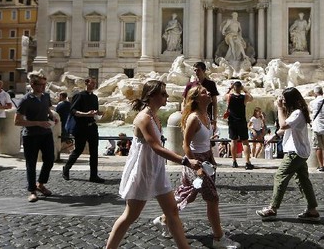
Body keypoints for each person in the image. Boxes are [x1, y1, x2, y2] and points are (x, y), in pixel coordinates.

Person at [106, 80, 200, 249]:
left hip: (157, 170)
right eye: (163, 94)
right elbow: (156, 147)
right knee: (130, 215)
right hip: (143, 171)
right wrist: (185, 160)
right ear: (151, 96)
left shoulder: (154, 116)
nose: (167, 96)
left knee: (172, 212)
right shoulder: (144, 117)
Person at [153, 85, 240, 248]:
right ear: (196, 99)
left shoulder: (205, 115)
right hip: (195, 162)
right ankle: (218, 238)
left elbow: (206, 142)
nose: (208, 93)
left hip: (206, 160)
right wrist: (196, 166)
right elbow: (185, 145)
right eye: (204, 92)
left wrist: (212, 158)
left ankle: (164, 219)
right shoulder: (193, 118)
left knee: (189, 194)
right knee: (212, 199)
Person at [256, 87, 319, 221]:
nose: (282, 101)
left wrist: (279, 108)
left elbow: (283, 125)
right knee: (303, 180)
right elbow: (286, 129)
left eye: (284, 99)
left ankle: (272, 208)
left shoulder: (297, 113)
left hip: (294, 153)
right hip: (301, 152)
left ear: (290, 100)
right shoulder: (298, 112)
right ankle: (312, 210)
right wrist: (273, 136)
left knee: (280, 176)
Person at [16, 73, 57, 203]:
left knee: (50, 159)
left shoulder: (46, 96)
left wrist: (52, 117)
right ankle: (32, 191)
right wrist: (38, 123)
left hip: (46, 133)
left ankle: (41, 184)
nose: (44, 87)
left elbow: (47, 110)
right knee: (31, 164)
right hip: (31, 135)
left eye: (45, 84)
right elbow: (17, 121)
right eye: (41, 84)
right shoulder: (25, 100)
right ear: (33, 85)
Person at [63, 77, 103, 183]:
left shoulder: (94, 97)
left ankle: (93, 176)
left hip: (92, 127)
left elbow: (94, 111)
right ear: (86, 83)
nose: (94, 84)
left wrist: (99, 113)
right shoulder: (79, 95)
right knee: (78, 150)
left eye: (95, 83)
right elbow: (73, 111)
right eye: (92, 82)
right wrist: (86, 114)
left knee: (94, 152)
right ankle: (66, 168)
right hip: (81, 127)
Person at [225, 81, 254, 170]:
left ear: (234, 88)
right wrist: (244, 89)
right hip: (242, 121)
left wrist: (230, 88)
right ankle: (247, 162)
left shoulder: (229, 96)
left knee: (233, 141)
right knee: (245, 142)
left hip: (232, 122)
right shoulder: (244, 97)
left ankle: (234, 161)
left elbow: (224, 96)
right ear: (240, 88)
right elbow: (251, 98)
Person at [183, 62, 220, 127]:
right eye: (195, 70)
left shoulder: (211, 84)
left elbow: (214, 103)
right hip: (192, 116)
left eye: (198, 70)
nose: (196, 72)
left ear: (204, 70)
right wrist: (184, 114)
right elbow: (185, 102)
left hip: (207, 116)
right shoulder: (190, 85)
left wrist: (214, 120)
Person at [309, 86, 324, 172]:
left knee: (318, 147)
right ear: (322, 92)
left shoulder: (313, 102)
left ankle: (321, 165)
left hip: (317, 127)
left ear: (315, 93)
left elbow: (312, 112)